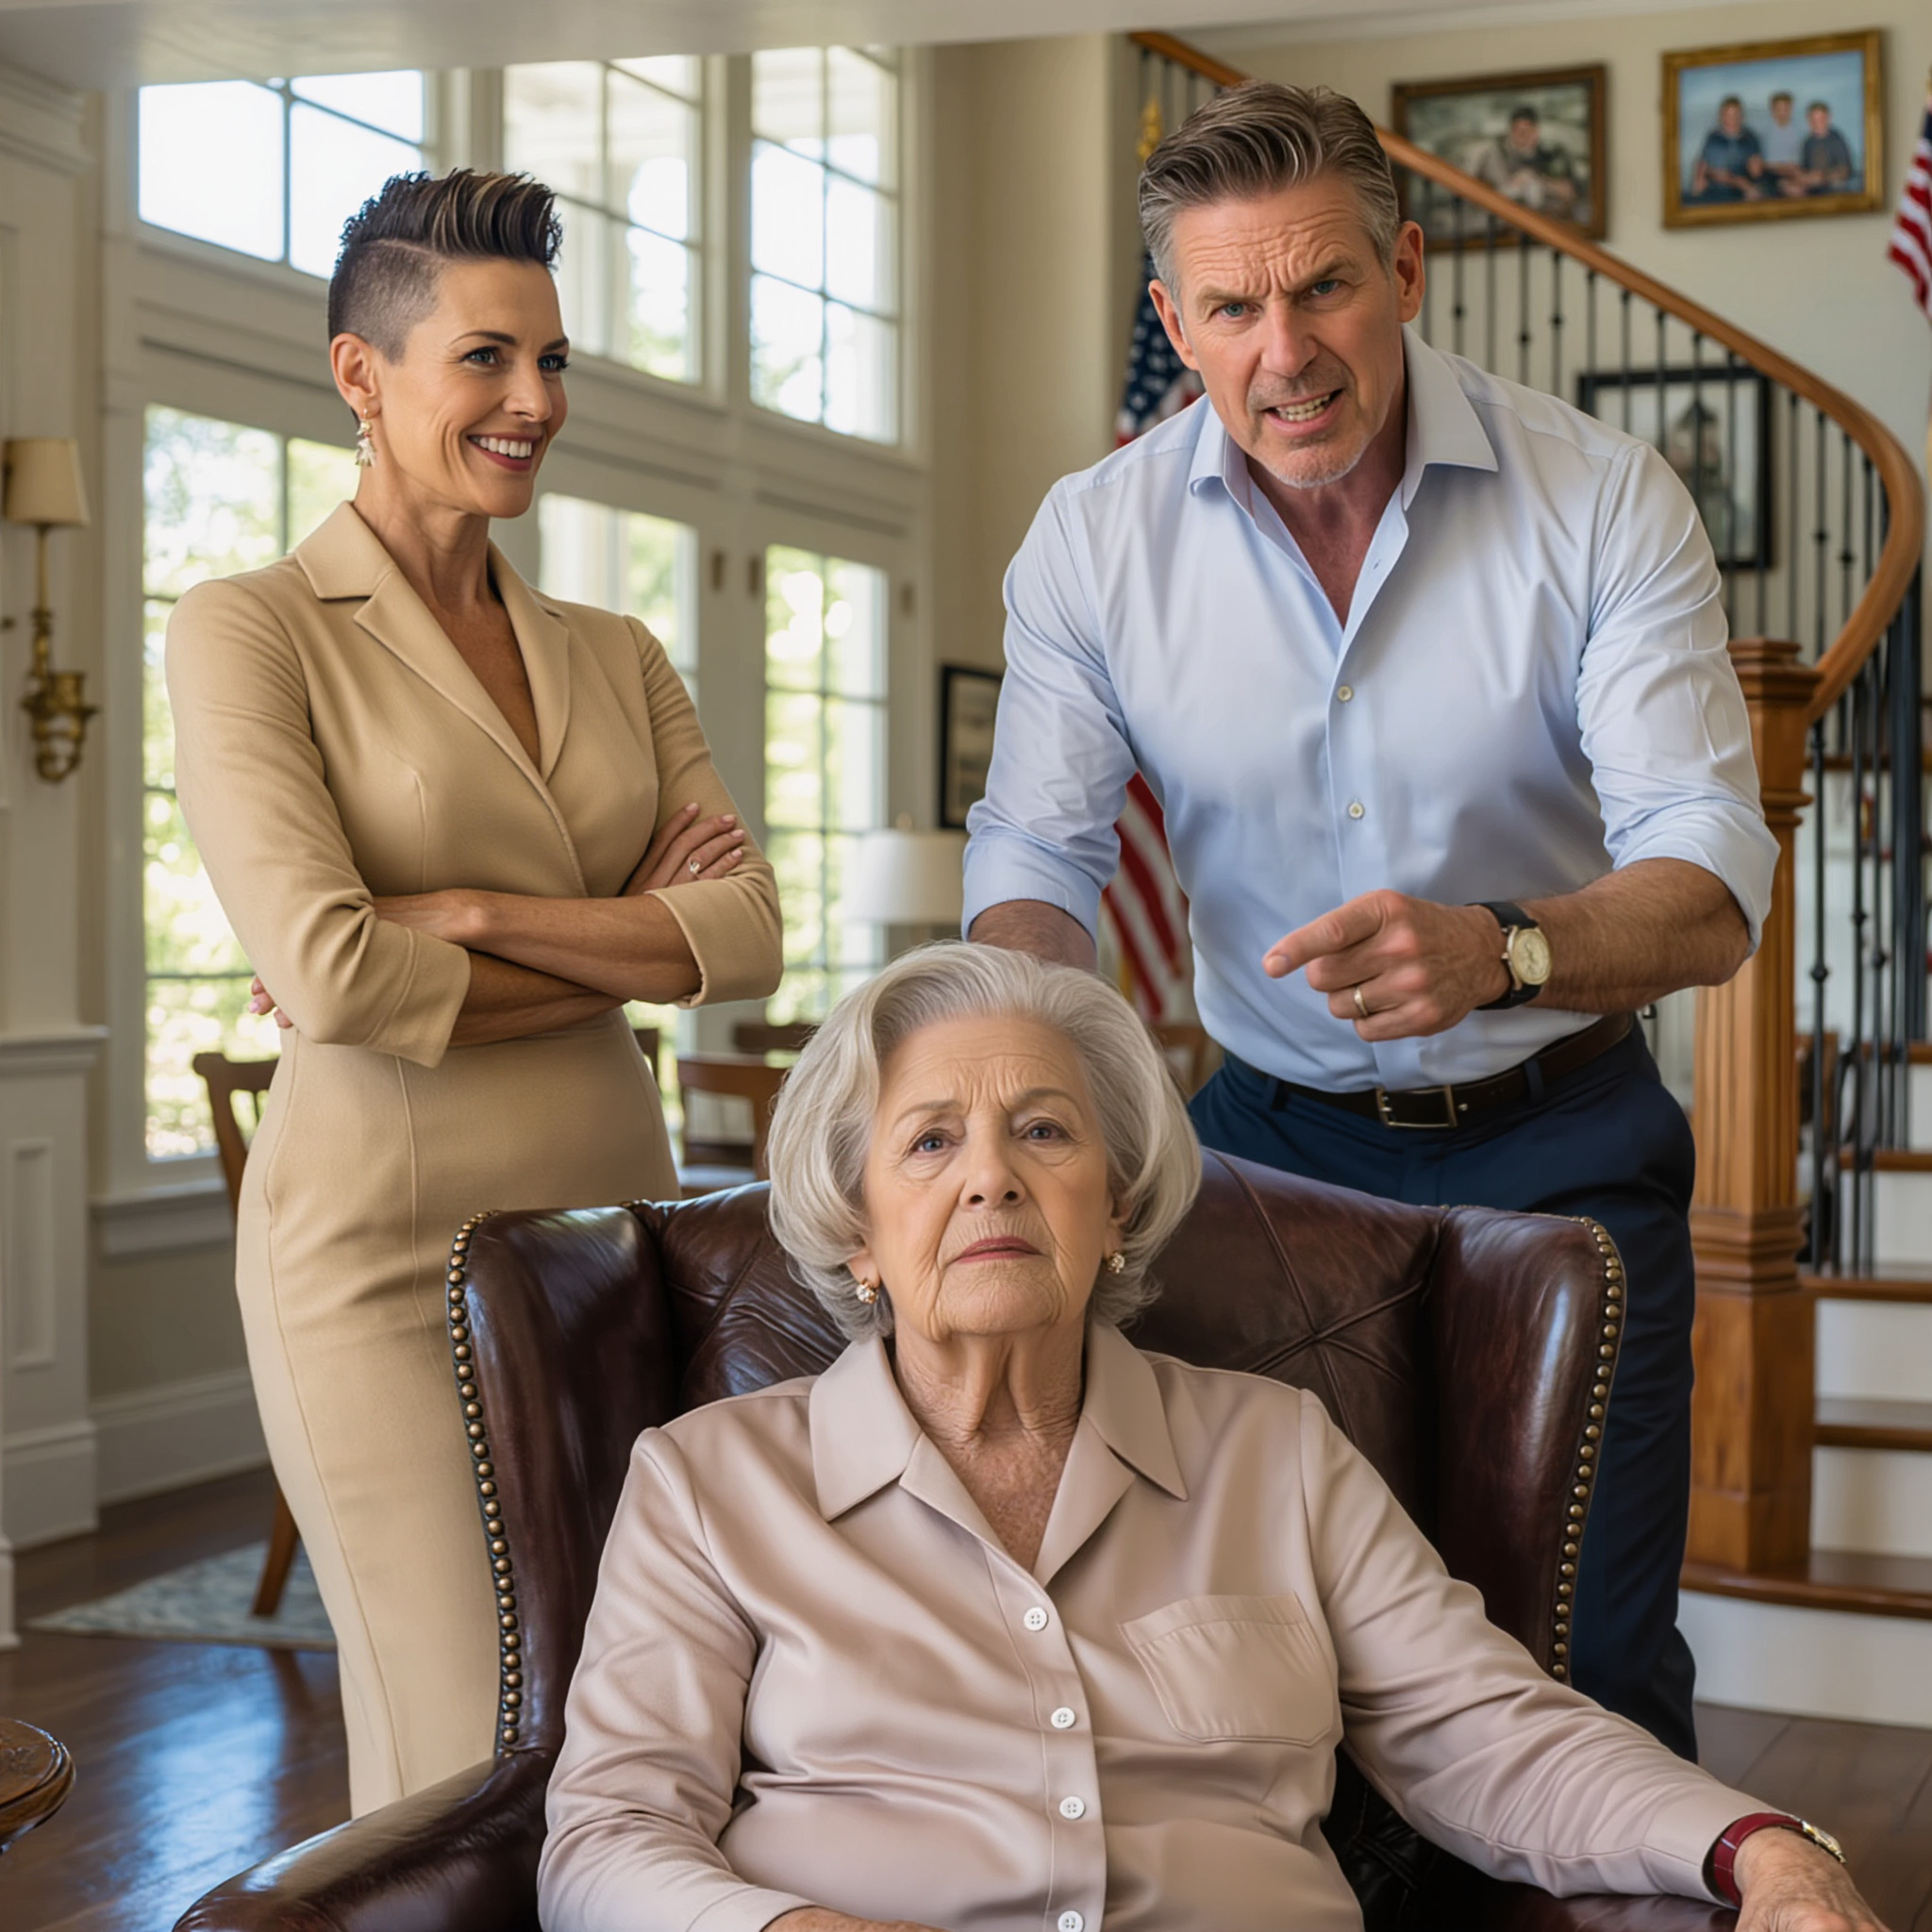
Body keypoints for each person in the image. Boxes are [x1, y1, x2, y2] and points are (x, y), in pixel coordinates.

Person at [960, 80, 1778, 1763]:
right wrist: (1026, 1084)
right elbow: (1034, 862)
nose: (1286, 351)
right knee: (1263, 1662)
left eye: (1322, 285)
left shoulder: (1600, 498)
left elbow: (1705, 880)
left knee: (1585, 1659)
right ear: (1172, 322)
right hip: (1260, 1159)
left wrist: (1504, 944)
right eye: (1234, 306)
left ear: (1403, 268)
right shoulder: (1090, 544)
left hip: (1564, 1147)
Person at [538, 942, 1881, 1932]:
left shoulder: (1279, 1455)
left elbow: (1493, 1734)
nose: (992, 1174)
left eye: (1044, 1132)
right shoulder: (712, 1484)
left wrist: (1763, 1846)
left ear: (1116, 1209)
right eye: (931, 1141)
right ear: (855, 1232)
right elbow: (606, 1838)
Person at [166, 170, 782, 1814]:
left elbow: (746, 935)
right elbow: (331, 973)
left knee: (640, 1726)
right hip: (376, 1258)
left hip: (609, 1235)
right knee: (462, 1747)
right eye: (488, 359)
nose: (534, 402)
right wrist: (617, 929)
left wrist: (471, 912)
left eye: (555, 360)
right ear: (362, 377)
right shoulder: (251, 631)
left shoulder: (619, 651)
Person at [1471, 104, 1579, 219]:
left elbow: (1570, 193)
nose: (1524, 137)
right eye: (1519, 132)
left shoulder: (1552, 154)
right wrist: (1513, 185)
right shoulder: (1494, 156)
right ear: (1511, 132)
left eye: (1528, 131)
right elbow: (1477, 199)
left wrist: (1540, 182)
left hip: (1550, 221)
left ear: (1536, 132)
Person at [1688, 96, 1766, 203]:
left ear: (1741, 116)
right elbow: (1704, 165)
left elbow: (1757, 173)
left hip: (1743, 194)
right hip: (1716, 192)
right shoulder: (1713, 138)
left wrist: (1756, 169)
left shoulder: (1751, 138)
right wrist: (1699, 178)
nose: (1731, 120)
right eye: (1727, 115)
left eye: (1735, 115)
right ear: (1721, 116)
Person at [1796, 102, 1856, 195]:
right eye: (1813, 120)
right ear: (1808, 120)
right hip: (1812, 188)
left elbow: (1845, 171)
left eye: (1821, 119)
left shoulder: (1837, 139)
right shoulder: (1807, 142)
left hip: (1833, 187)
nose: (1817, 123)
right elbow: (1804, 169)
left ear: (1829, 118)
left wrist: (1822, 177)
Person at [1762, 91, 1806, 192]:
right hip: (1773, 176)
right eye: (1778, 109)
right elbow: (1767, 164)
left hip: (1798, 173)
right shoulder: (1766, 134)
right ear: (1772, 111)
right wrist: (1789, 171)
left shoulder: (1800, 131)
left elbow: (1802, 160)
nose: (1782, 113)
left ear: (1791, 109)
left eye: (1785, 109)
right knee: (1795, 190)